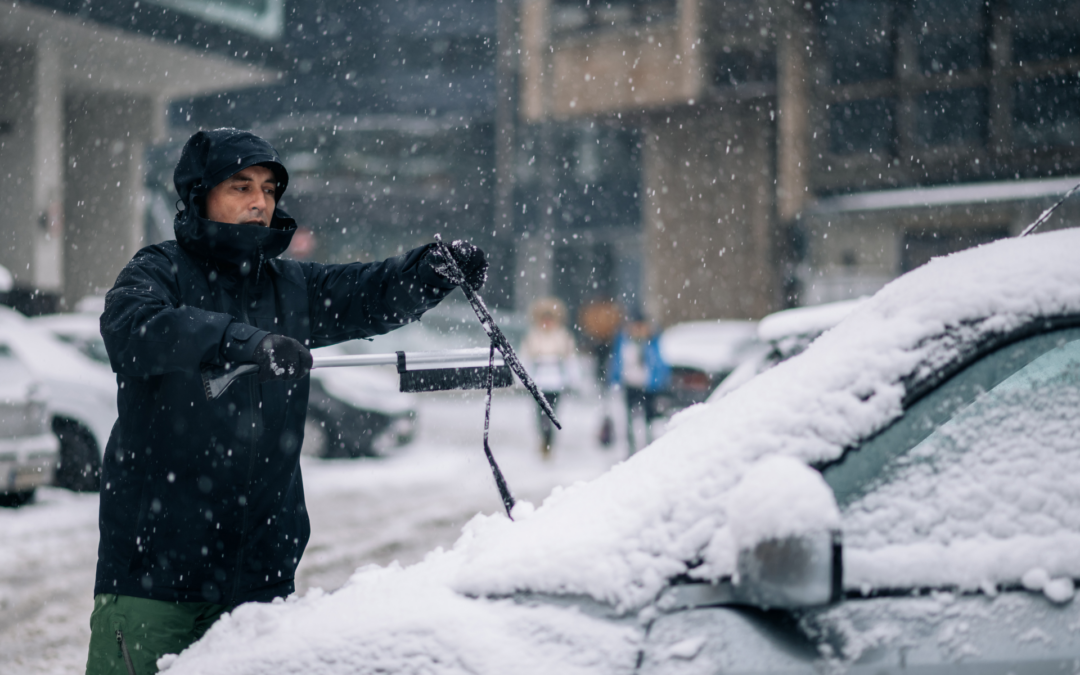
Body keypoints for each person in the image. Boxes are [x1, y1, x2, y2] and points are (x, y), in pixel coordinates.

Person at [87, 128, 486, 675]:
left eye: (270, 189)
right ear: (199, 193)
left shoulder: (287, 286)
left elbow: (365, 289)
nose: (260, 202)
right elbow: (135, 328)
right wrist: (239, 342)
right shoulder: (157, 271)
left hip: (259, 580)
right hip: (154, 578)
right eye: (241, 186)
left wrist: (429, 271)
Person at [520, 297, 578, 459]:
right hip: (539, 382)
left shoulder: (563, 336)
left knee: (552, 413)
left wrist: (572, 379)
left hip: (556, 382)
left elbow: (570, 359)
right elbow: (525, 359)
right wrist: (523, 379)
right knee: (540, 414)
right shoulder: (533, 336)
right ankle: (544, 439)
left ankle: (549, 441)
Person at [608, 315, 670, 455]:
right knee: (629, 417)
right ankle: (631, 446)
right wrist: (614, 379)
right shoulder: (624, 342)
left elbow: (660, 363)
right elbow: (617, 362)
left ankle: (649, 444)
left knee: (649, 418)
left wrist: (662, 381)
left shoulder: (652, 343)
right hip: (630, 384)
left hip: (648, 386)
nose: (638, 330)